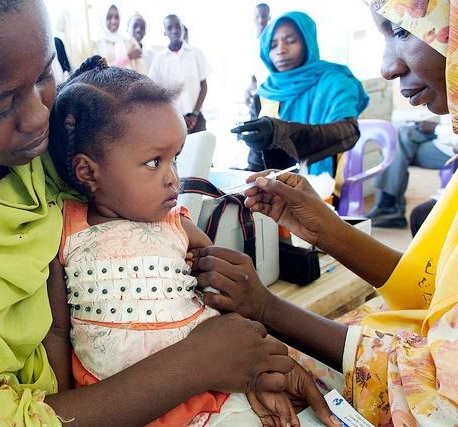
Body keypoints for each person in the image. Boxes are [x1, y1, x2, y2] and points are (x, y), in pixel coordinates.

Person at [0, 0, 335, 425]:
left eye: (48, 74)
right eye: (0, 106)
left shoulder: (40, 156)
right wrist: (195, 365)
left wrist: (243, 350)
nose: (41, 115)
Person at [191, 1, 458, 425]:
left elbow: (438, 404)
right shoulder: (268, 87)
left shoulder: (332, 81)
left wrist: (267, 308)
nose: (387, 67)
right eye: (272, 41)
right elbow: (430, 288)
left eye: (402, 31)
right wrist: (327, 231)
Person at [47, 56, 324, 426]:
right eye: (153, 163)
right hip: (122, 405)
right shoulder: (64, 233)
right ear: (88, 172)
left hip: (211, 393)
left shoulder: (177, 225)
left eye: (175, 159)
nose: (173, 179)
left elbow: (221, 292)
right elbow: (58, 329)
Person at [233, 12, 369, 178]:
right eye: (273, 45)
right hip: (274, 187)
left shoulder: (336, 81)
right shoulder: (265, 93)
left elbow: (348, 131)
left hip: (324, 184)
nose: (281, 50)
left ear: (307, 43)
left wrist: (280, 132)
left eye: (291, 41)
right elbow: (257, 161)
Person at [367, 118, 454, 228]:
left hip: (451, 145)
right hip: (444, 136)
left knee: (398, 150)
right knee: (400, 134)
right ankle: (389, 208)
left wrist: (436, 128)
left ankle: (388, 207)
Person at [149, 15, 209, 134]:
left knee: (200, 150)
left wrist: (195, 114)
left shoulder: (195, 53)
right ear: (165, 32)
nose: (175, 30)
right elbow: (156, 93)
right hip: (172, 121)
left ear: (182, 27)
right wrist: (175, 116)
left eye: (177, 26)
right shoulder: (159, 60)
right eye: (170, 28)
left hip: (197, 118)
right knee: (177, 153)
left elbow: (204, 86)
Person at [94, 4, 143, 70]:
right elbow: (99, 71)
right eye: (109, 17)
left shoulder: (129, 42)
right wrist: (128, 57)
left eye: (117, 17)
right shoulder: (97, 45)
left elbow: (139, 70)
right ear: (103, 19)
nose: (113, 21)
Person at [244, 3, 272, 114]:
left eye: (264, 16)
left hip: (274, 97)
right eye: (257, 17)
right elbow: (254, 81)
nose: (261, 20)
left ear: (269, 18)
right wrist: (247, 90)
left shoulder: (274, 43)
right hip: (260, 97)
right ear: (253, 19)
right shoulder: (252, 45)